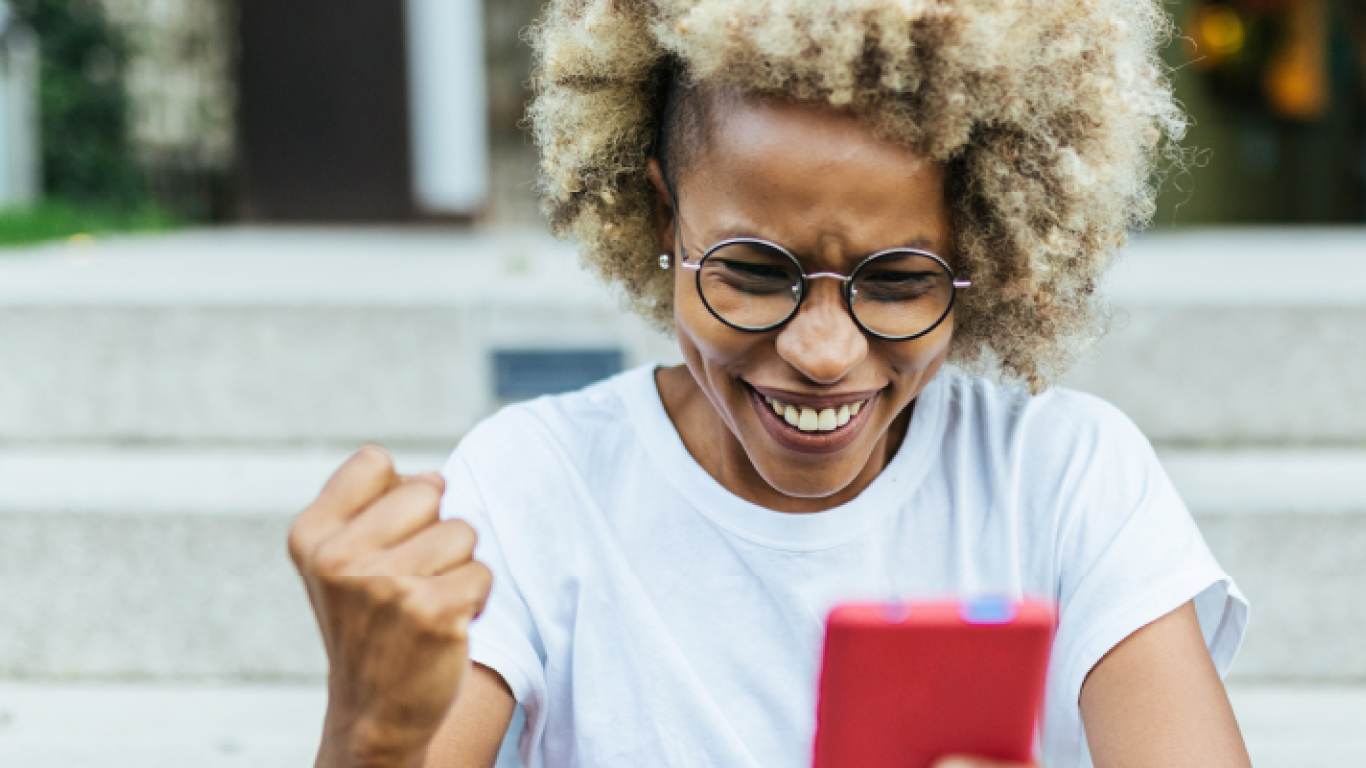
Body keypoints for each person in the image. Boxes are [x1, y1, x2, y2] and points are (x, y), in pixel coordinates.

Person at [287, 0, 1252, 766]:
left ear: (986, 249)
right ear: (666, 220)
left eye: (899, 280)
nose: (825, 351)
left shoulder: (1065, 477)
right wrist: (365, 733)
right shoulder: (534, 488)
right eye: (752, 273)